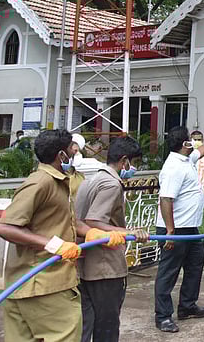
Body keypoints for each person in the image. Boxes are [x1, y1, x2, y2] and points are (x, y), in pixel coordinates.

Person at [0, 129, 128, 342]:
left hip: (33, 285)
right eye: (71, 151)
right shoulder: (41, 182)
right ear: (61, 156)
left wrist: (95, 233)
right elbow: (6, 227)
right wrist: (54, 245)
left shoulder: (60, 182)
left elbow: (70, 221)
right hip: (44, 284)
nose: (75, 154)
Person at [154, 126, 204, 333]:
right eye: (190, 140)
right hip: (174, 230)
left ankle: (187, 306)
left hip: (190, 229)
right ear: (184, 144)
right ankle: (163, 316)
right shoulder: (173, 167)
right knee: (168, 272)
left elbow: (201, 151)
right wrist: (170, 231)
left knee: (195, 263)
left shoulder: (186, 159)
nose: (193, 143)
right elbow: (166, 199)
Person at [76, 136, 150, 342]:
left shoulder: (90, 180)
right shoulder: (111, 184)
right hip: (105, 268)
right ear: (125, 160)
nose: (134, 168)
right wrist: (130, 233)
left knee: (84, 326)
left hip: (84, 265)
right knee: (107, 326)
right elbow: (94, 220)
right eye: (134, 163)